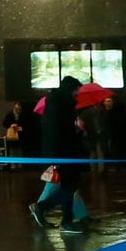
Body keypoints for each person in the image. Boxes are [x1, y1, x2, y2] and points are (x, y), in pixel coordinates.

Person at [30, 76, 88, 235]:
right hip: (64, 154)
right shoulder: (62, 106)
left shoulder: (57, 104)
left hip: (59, 153)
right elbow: (61, 133)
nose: (77, 93)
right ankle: (45, 209)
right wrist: (76, 128)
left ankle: (67, 219)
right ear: (70, 88)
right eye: (76, 89)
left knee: (69, 186)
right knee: (69, 186)